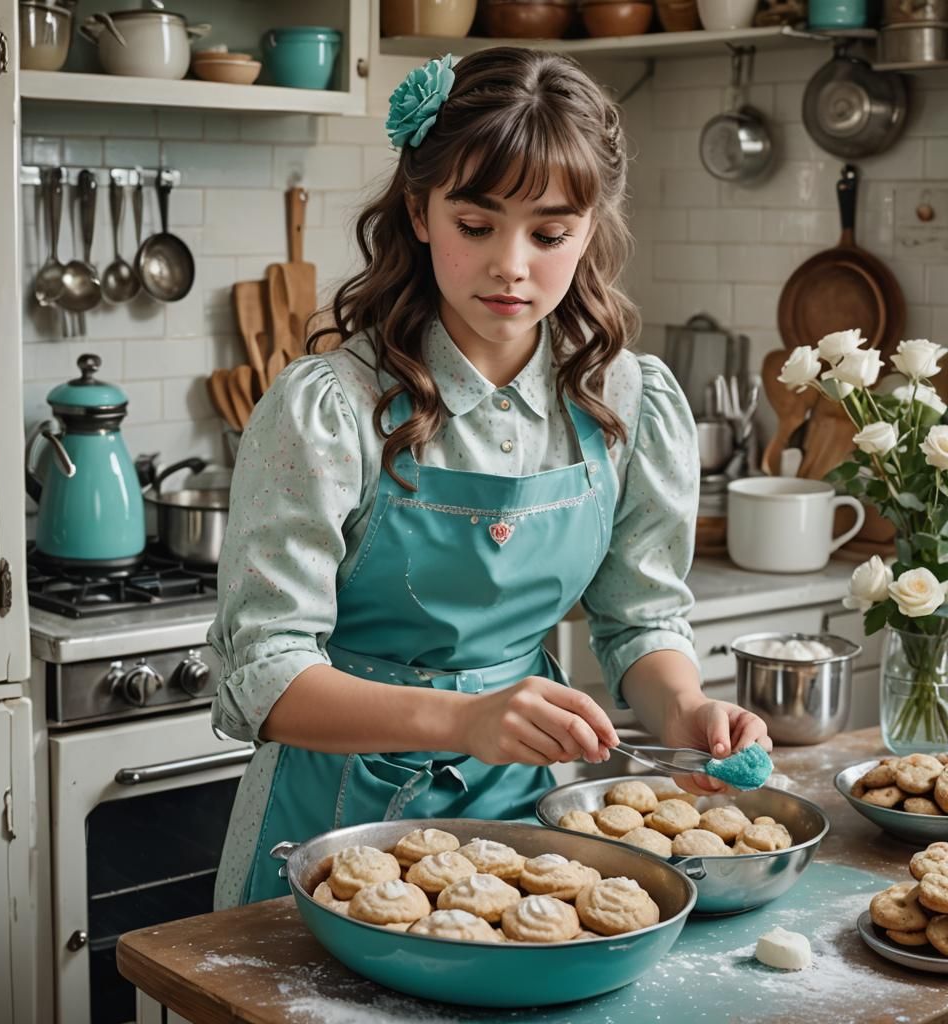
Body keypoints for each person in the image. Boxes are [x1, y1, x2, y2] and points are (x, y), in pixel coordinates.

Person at [208, 46, 772, 908]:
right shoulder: (329, 407)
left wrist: (687, 710)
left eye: (550, 234)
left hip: (533, 826)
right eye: (477, 226)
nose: (513, 264)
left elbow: (641, 618)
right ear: (420, 210)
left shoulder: (629, 398)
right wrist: (465, 719)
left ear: (590, 229)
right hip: (329, 825)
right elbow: (264, 676)